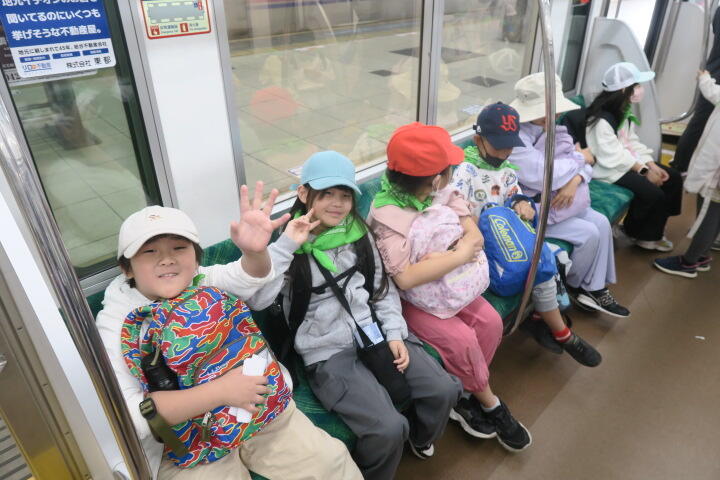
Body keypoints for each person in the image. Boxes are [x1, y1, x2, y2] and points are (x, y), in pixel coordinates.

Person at [96, 184, 362, 480]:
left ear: (196, 257)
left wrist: (254, 252)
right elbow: (131, 414)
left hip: (257, 407)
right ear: (127, 269)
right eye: (149, 252)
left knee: (330, 463)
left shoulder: (200, 279)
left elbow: (248, 276)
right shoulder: (118, 322)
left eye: (179, 248)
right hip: (184, 441)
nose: (167, 259)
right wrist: (221, 391)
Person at [246, 151, 462, 480]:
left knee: (443, 389)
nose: (337, 203)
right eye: (326, 194)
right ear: (304, 193)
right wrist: (285, 246)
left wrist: (394, 333)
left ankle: (421, 438)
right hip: (328, 350)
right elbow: (259, 299)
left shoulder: (359, 235)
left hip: (373, 329)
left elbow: (381, 289)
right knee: (388, 429)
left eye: (345, 195)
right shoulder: (289, 246)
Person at [368, 123, 532, 453]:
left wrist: (449, 255)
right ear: (434, 179)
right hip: (414, 300)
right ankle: (489, 402)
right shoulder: (387, 216)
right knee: (462, 340)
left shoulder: (439, 192)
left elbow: (474, 234)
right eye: (448, 169)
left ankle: (466, 392)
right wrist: (459, 254)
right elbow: (405, 279)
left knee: (490, 323)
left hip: (452, 282)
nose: (451, 174)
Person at [452, 102, 601, 367]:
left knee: (544, 259)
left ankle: (555, 328)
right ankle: (554, 327)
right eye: (498, 146)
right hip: (480, 245)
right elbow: (455, 210)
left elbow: (515, 195)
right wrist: (478, 222)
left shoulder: (508, 170)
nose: (504, 152)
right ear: (478, 140)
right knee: (533, 265)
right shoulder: (466, 171)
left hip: (507, 238)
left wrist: (522, 205)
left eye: (509, 146)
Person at [508, 73, 630, 318]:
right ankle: (576, 285)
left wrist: (575, 180)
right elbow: (546, 174)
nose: (552, 116)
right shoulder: (516, 139)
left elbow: (585, 165)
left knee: (601, 222)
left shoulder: (552, 129)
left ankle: (594, 287)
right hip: (533, 207)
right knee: (589, 233)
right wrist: (580, 160)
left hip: (563, 199)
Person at [586, 62, 683, 252]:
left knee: (673, 178)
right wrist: (644, 170)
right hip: (608, 169)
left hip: (625, 161)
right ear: (624, 89)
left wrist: (651, 164)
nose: (640, 89)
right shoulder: (602, 120)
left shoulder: (622, 109)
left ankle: (655, 226)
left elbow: (630, 142)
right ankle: (640, 234)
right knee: (653, 193)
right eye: (637, 85)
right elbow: (612, 155)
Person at [655, 70, 720, 277]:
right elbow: (716, 94)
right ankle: (702, 256)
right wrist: (705, 79)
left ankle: (689, 262)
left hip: (716, 175)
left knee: (708, 217)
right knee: (715, 215)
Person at [671, 7, 720, 174]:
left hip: (714, 73)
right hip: (715, 78)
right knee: (699, 124)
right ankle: (680, 165)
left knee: (701, 124)